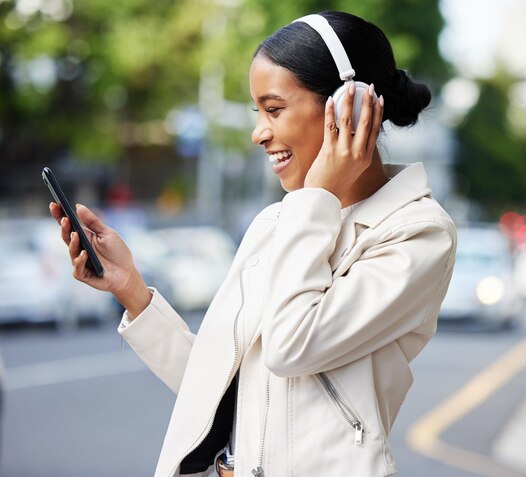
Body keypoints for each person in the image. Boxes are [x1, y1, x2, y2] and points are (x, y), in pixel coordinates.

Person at [50, 11, 456, 477]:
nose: (258, 133)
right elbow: (218, 392)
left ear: (351, 107)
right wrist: (132, 290)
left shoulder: (418, 233)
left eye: (275, 109)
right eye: (257, 112)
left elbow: (291, 345)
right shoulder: (276, 222)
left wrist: (315, 197)